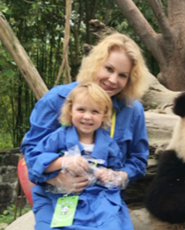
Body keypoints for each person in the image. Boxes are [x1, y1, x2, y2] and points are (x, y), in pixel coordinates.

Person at [21, 33, 150, 229]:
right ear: (95, 64)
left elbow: (138, 160)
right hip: (56, 195)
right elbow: (31, 154)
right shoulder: (57, 98)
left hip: (103, 197)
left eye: (122, 75)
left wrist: (120, 176)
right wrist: (56, 176)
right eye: (108, 69)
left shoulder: (133, 110)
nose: (113, 80)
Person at [27, 82, 133, 229]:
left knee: (113, 223)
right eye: (81, 110)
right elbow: (34, 165)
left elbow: (116, 170)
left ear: (104, 114)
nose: (87, 117)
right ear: (70, 110)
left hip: (98, 197)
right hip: (59, 195)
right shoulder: (57, 137)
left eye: (95, 111)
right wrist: (62, 162)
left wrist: (109, 176)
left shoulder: (109, 144)